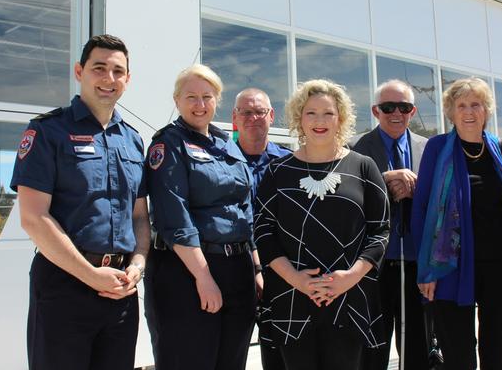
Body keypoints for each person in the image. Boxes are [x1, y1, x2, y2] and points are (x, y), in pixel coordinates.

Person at [11, 34, 150, 370]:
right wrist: (89, 274)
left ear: (127, 80)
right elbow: (33, 217)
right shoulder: (47, 131)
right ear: (79, 71)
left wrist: (137, 266)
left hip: (120, 289)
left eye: (118, 71)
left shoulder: (132, 140)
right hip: (65, 285)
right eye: (99, 68)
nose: (109, 79)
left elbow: (140, 218)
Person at [254, 79, 390, 370]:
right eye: (311, 112)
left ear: (340, 117)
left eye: (328, 113)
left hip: (350, 299)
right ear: (298, 118)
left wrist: (350, 277)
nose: (319, 121)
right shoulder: (277, 171)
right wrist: (297, 279)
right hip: (292, 300)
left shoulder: (364, 167)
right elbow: (263, 232)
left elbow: (380, 231)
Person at [144, 64, 256, 370]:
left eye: (207, 96)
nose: (200, 104)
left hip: (237, 269)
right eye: (191, 96)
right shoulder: (168, 144)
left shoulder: (227, 145)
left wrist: (255, 268)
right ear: (177, 100)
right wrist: (204, 277)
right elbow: (173, 215)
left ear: (217, 100)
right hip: (187, 271)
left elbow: (245, 209)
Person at [414, 77, 502, 370]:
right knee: (458, 354)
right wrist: (426, 270)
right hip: (449, 266)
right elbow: (421, 208)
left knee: (497, 351)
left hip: (499, 267)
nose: (469, 111)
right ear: (450, 111)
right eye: (461, 105)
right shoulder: (437, 148)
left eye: (476, 104)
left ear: (487, 110)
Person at [350, 79, 429, 370]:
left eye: (404, 107)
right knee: (373, 350)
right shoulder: (355, 148)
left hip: (417, 264)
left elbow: (440, 199)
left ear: (413, 110)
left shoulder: (428, 147)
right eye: (387, 107)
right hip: (374, 265)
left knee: (418, 348)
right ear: (375, 111)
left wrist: (416, 188)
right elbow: (348, 199)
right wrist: (384, 180)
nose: (396, 113)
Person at [232, 88, 291, 370]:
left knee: (280, 355)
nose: (253, 117)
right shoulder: (220, 159)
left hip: (281, 272)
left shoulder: (289, 163)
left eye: (260, 112)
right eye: (246, 112)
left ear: (271, 116)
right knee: (230, 352)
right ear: (234, 117)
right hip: (232, 269)